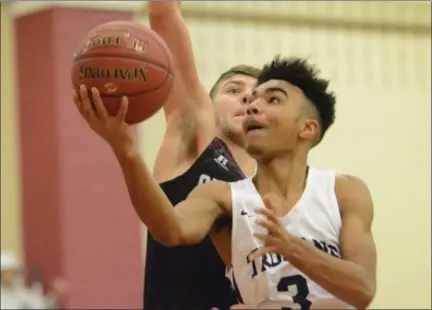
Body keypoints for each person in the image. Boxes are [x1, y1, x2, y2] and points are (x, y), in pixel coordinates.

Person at [73, 55, 377, 309]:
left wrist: (291, 248)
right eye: (252, 100)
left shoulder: (343, 192)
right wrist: (126, 152)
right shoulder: (223, 197)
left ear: (307, 128)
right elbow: (170, 229)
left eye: (273, 100)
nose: (253, 106)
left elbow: (362, 290)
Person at [146, 2, 259, 309]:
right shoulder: (192, 135)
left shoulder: (279, 193)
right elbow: (162, 14)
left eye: (259, 94)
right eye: (233, 90)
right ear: (208, 105)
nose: (248, 96)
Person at [1, 251, 68, 309]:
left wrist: (54, 296)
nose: (10, 276)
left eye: (13, 272)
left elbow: (39, 306)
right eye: (7, 272)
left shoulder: (19, 293)